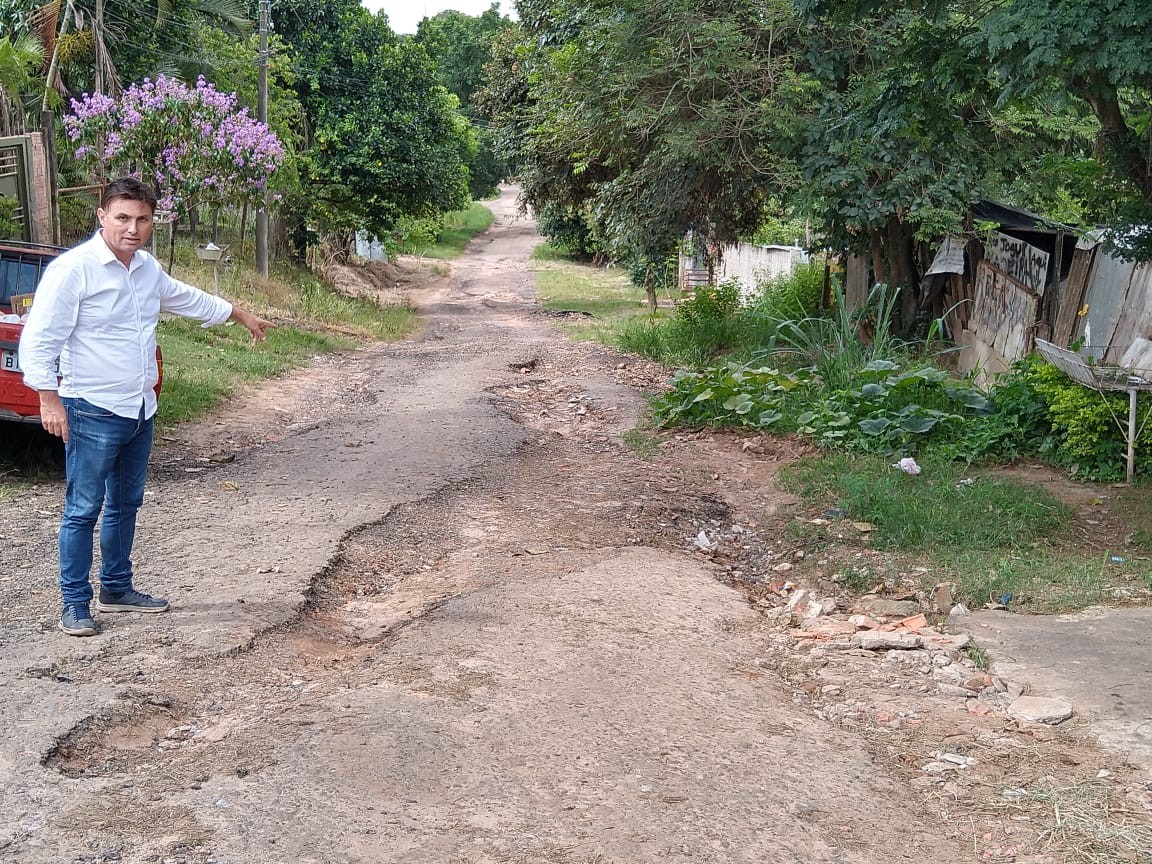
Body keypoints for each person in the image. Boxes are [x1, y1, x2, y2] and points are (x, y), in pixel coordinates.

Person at [18, 178, 273, 637]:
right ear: (102, 216)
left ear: (152, 221)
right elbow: (40, 337)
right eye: (122, 217)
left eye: (142, 219)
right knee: (83, 508)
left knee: (125, 504)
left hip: (139, 409)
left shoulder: (146, 268)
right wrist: (47, 397)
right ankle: (74, 603)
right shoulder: (73, 270)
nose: (132, 228)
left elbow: (185, 297)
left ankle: (116, 588)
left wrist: (239, 314)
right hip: (91, 408)